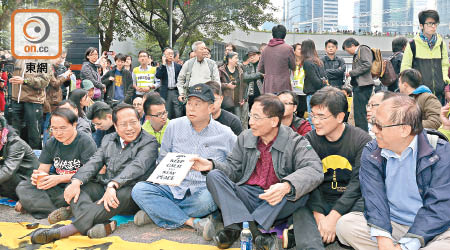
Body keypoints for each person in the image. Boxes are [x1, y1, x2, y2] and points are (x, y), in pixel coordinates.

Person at [192, 94, 323, 249]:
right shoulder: (245, 137)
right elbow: (233, 170)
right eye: (250, 115)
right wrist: (211, 165)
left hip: (276, 200)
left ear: (274, 121)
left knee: (300, 191)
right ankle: (256, 233)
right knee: (214, 176)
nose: (250, 122)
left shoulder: (295, 141)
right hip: (248, 196)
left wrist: (286, 186)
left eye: (256, 117)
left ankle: (237, 225)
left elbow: (314, 169)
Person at [29, 104, 159, 243]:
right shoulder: (108, 139)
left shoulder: (149, 142)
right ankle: (104, 223)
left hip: (131, 192)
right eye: (123, 124)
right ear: (115, 125)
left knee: (120, 195)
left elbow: (136, 167)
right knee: (75, 189)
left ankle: (66, 230)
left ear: (140, 121)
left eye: (133, 122)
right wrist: (76, 181)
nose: (129, 128)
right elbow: (94, 162)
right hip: (106, 185)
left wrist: (113, 185)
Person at [336, 94, 450, 250]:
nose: (374, 130)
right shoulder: (372, 151)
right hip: (392, 224)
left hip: (434, 230)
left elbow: (439, 208)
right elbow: (374, 199)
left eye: (380, 125)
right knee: (345, 225)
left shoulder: (440, 151)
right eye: (373, 123)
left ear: (404, 129)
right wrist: (383, 238)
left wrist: (404, 246)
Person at [131, 84, 236, 235]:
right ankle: (192, 221)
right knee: (139, 190)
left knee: (210, 199)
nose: (191, 108)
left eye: (197, 104)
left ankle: (158, 212)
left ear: (211, 107)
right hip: (173, 188)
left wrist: (212, 167)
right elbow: (163, 159)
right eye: (189, 103)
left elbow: (235, 166)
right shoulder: (173, 126)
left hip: (202, 191)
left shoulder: (225, 134)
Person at [283, 87, 371, 249]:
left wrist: (333, 217)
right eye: (313, 115)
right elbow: (309, 181)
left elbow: (357, 184)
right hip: (320, 198)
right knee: (299, 203)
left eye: (321, 117)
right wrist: (321, 218)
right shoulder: (309, 140)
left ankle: (325, 233)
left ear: (340, 117)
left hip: (350, 200)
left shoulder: (361, 140)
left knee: (363, 207)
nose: (315, 121)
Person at [16, 108, 97, 219]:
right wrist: (38, 177)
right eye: (54, 129)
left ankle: (37, 206)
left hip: (80, 184)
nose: (58, 133)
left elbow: (90, 173)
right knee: (23, 187)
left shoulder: (85, 142)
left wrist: (59, 179)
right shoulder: (51, 143)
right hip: (58, 186)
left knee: (78, 192)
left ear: (74, 125)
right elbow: (43, 170)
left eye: (63, 128)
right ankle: (64, 210)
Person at [400, 10, 450, 104]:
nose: (434, 26)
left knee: (438, 118)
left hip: (438, 95)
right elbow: (405, 69)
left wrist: (444, 81)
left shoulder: (441, 43)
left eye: (435, 23)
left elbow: (445, 65)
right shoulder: (412, 45)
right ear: (421, 25)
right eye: (430, 23)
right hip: (419, 94)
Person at [9, 59, 51, 149]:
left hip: (33, 101)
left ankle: (35, 158)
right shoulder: (19, 59)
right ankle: (17, 156)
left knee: (33, 133)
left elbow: (44, 81)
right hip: (16, 100)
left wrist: (25, 81)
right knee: (16, 131)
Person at [0, 116, 38, 201]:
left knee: (4, 173)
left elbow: (8, 170)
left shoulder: (15, 142)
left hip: (26, 181)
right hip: (13, 179)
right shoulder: (2, 140)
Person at [343, 37, 374, 132]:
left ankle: (363, 135)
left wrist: (352, 72)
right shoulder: (358, 53)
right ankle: (361, 133)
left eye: (347, 50)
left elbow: (367, 64)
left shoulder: (363, 49)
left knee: (360, 113)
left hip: (364, 86)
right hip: (359, 86)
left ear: (352, 45)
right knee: (358, 113)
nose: (348, 52)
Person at [258, 25, 295, 94]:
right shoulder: (288, 48)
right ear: (284, 35)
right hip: (283, 86)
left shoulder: (265, 49)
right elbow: (293, 66)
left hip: (269, 86)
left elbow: (260, 69)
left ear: (272, 34)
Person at [302, 39, 327, 127]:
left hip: (312, 94)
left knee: (313, 119)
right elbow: (325, 78)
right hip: (322, 93)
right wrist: (323, 81)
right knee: (321, 118)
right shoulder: (319, 61)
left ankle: (313, 140)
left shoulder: (307, 62)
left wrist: (320, 81)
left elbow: (315, 81)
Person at [156, 47, 183, 119]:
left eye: (172, 54)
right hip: (166, 92)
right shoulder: (161, 67)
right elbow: (158, 76)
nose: (171, 55)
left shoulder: (179, 66)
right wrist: (164, 64)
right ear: (164, 56)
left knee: (178, 112)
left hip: (176, 91)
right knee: (167, 111)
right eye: (168, 54)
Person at [219, 52, 245, 117]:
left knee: (237, 121)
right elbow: (217, 84)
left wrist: (243, 98)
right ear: (230, 59)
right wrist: (227, 86)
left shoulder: (240, 70)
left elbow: (243, 85)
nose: (238, 60)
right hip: (226, 102)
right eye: (236, 58)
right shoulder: (221, 70)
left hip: (237, 102)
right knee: (226, 122)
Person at [291, 43, 308, 118]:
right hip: (292, 92)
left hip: (303, 92)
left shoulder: (307, 63)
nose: (302, 51)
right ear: (294, 51)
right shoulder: (290, 63)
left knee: (301, 115)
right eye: (299, 49)